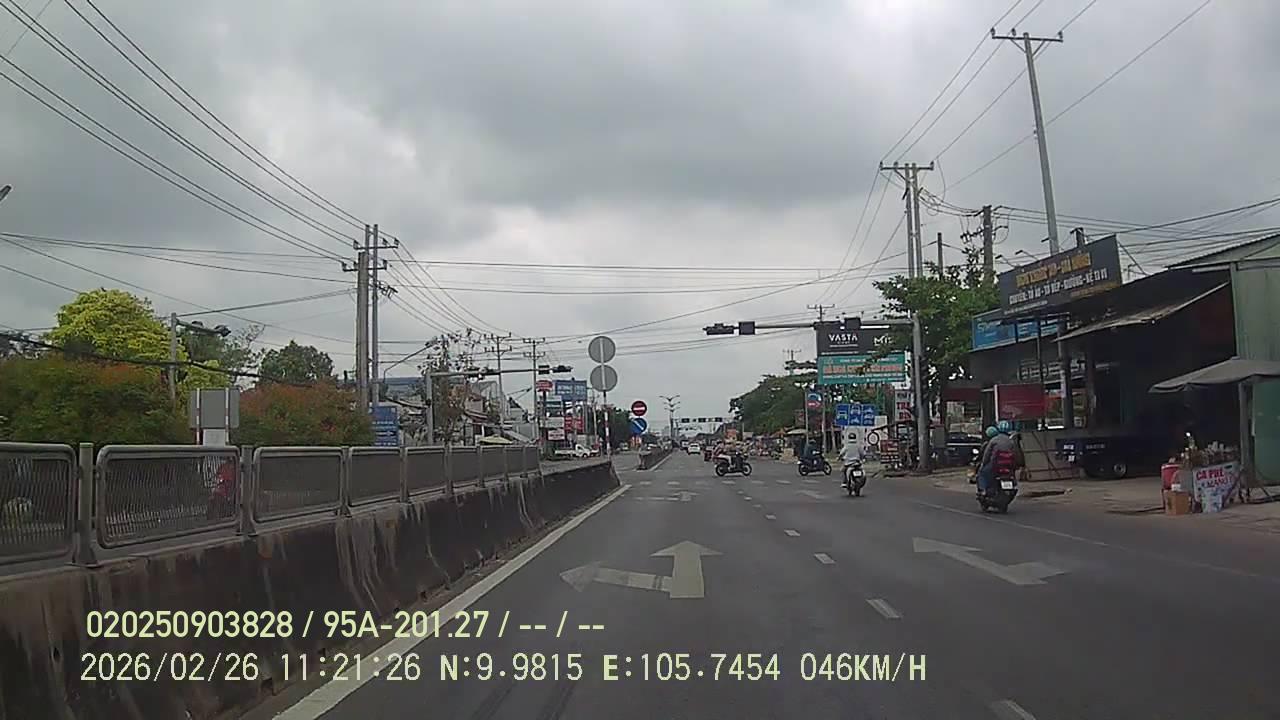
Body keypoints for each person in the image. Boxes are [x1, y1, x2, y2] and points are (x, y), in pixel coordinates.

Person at [978, 420, 1025, 495]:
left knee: (982, 472)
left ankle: (983, 490)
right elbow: (1016, 453)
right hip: (1009, 465)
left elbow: (987, 454)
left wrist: (983, 464)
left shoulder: (994, 440)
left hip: (995, 464)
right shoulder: (1011, 441)